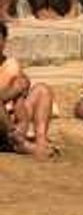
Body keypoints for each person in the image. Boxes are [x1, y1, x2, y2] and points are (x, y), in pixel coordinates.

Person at [0, 20, 56, 158]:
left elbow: (23, 88)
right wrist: (13, 90)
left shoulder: (11, 64)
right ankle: (18, 143)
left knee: (42, 90)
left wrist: (22, 122)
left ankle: (41, 140)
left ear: (4, 41)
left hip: (13, 119)